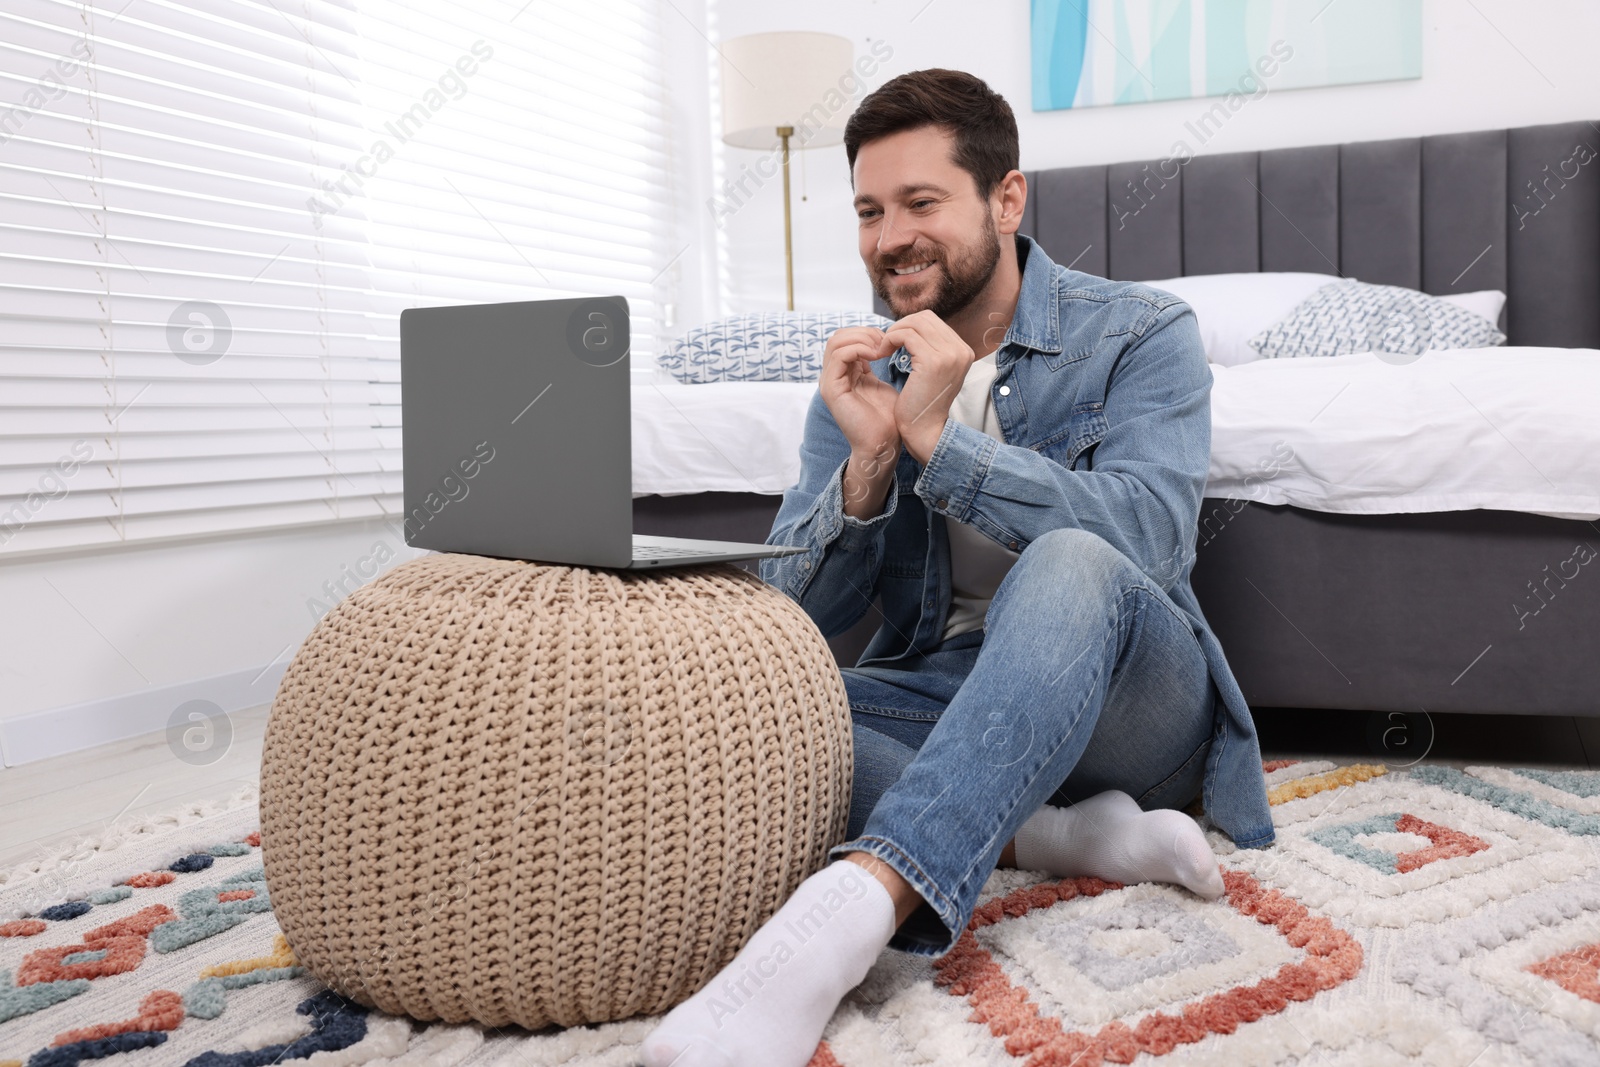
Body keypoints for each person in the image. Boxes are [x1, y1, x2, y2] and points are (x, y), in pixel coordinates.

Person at [642, 68, 1274, 1067]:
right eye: (868, 210)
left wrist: (944, 437)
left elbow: (1148, 538)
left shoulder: (1141, 332)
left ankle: (846, 917)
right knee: (757, 704)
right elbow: (785, 619)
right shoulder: (861, 377)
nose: (890, 236)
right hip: (946, 683)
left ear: (1006, 199)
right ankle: (1054, 834)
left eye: (921, 202)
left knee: (1072, 556)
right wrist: (871, 459)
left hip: (1136, 705)